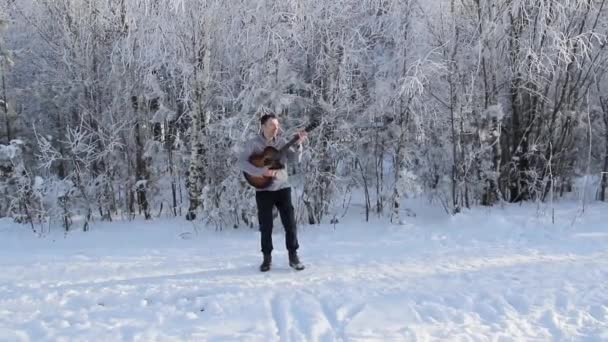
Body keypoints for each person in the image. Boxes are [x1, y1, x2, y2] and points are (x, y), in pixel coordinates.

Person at [238, 113, 308, 272]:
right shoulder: (253, 144)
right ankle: (267, 259)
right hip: (263, 189)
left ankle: (293, 256)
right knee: (266, 226)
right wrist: (260, 171)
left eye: (277, 126)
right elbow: (241, 162)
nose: (275, 128)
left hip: (283, 187)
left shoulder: (283, 142)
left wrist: (298, 145)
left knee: (290, 223)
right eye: (272, 125)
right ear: (263, 126)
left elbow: (295, 159)